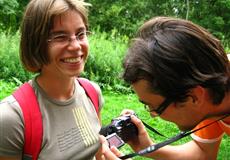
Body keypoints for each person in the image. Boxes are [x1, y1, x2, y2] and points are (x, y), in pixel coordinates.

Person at [101, 16, 230, 160]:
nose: (153, 114)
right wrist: (148, 148)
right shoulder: (209, 87)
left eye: (155, 107)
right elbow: (203, 153)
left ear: (194, 97)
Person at [0, 0, 104, 159]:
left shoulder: (92, 93)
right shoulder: (11, 118)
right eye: (60, 37)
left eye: (80, 34)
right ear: (35, 43)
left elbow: (98, 153)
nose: (76, 46)